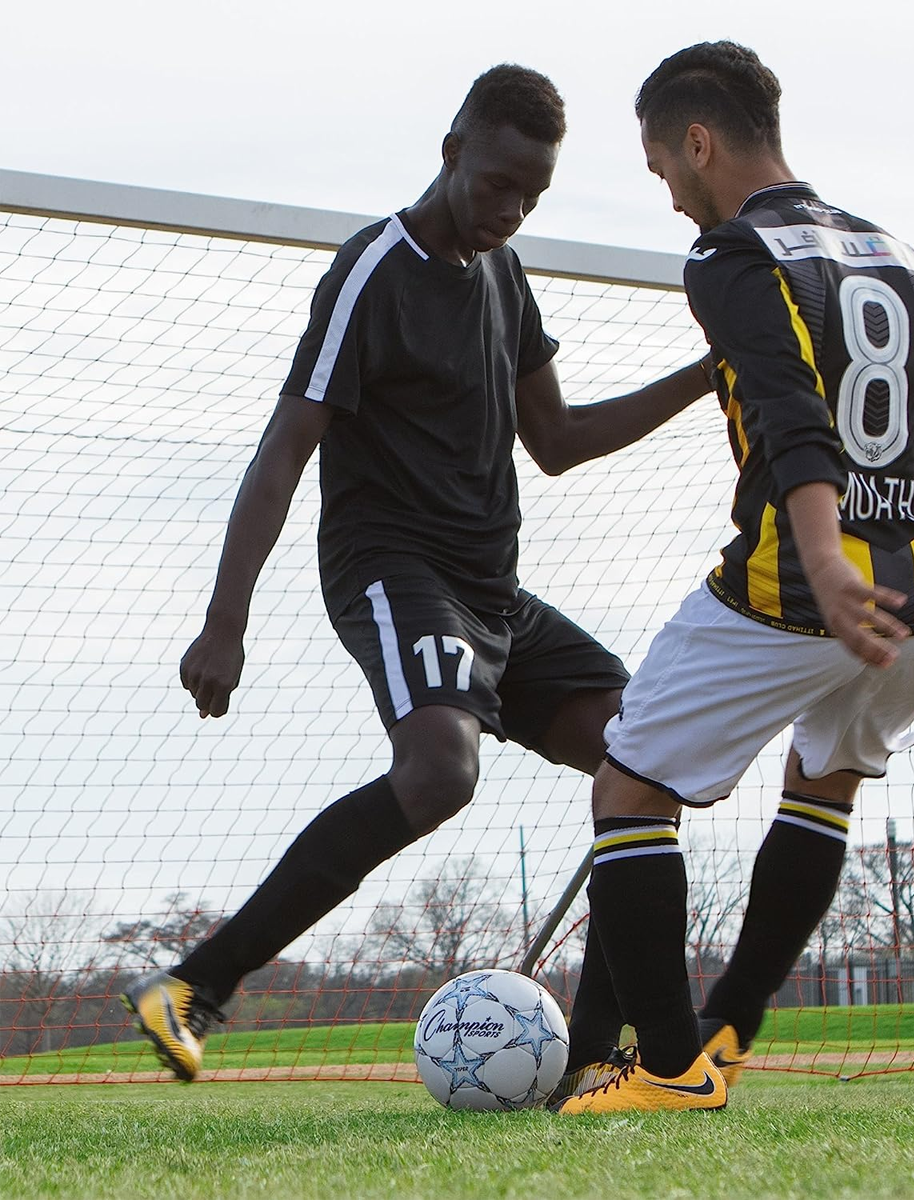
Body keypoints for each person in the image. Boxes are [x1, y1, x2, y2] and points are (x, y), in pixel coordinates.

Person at [554, 41, 914, 1114]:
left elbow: (791, 417)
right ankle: (728, 1029)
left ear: (700, 140)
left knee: (629, 787)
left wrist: (820, 557)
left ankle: (669, 1070)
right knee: (822, 787)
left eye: (657, 159)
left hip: (798, 591)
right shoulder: (900, 257)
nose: (661, 185)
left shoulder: (731, 257)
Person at [120, 63, 712, 1082]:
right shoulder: (371, 271)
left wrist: (710, 374)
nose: (509, 210)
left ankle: (588, 1060)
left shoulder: (504, 271)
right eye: (496, 185)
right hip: (392, 570)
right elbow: (282, 451)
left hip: (493, 590)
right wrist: (225, 621)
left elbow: (559, 439)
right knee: (441, 771)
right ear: (451, 154)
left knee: (644, 762)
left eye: (531, 196)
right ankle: (192, 988)